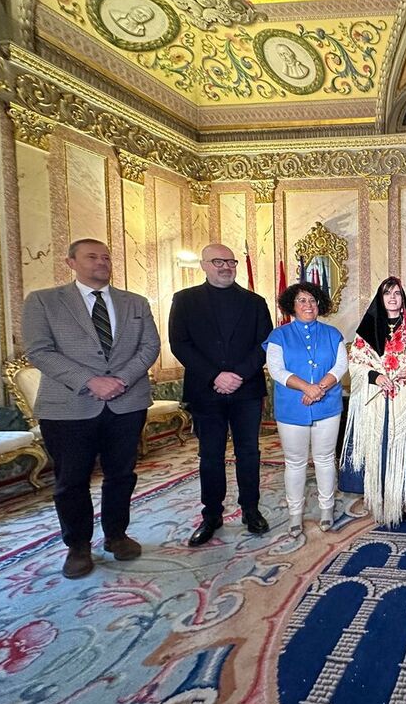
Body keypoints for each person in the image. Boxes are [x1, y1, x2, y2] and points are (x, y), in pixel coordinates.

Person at [23, 239, 160, 578]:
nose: (101, 262)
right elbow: (39, 351)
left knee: (121, 474)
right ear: (71, 262)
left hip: (126, 403)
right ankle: (78, 547)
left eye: (106, 257)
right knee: (71, 480)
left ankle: (116, 535)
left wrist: (121, 380)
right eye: (91, 256)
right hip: (68, 406)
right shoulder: (43, 301)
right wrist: (90, 380)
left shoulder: (136, 302)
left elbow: (150, 346)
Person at [169, 244, 273, 546]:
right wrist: (216, 375)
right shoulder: (185, 300)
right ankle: (211, 515)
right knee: (210, 456)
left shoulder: (254, 302)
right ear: (204, 265)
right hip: (206, 390)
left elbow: (264, 344)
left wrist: (237, 375)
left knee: (249, 453)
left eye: (230, 261)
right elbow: (180, 344)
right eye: (218, 261)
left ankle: (250, 510)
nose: (225, 266)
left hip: (246, 390)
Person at [340, 277, 406, 526]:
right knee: (381, 446)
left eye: (397, 293)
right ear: (381, 297)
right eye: (387, 293)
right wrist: (375, 376)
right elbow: (355, 363)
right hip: (377, 403)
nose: (392, 298)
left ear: (402, 298)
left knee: (405, 447)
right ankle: (379, 496)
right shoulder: (366, 329)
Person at [264, 282, 346, 534]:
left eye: (312, 300)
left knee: (324, 459)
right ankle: (295, 514)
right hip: (292, 408)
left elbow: (341, 366)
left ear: (319, 303)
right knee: (295, 462)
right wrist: (306, 388)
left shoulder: (333, 334)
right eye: (301, 300)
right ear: (292, 305)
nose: (308, 305)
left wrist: (318, 388)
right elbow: (276, 370)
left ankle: (326, 510)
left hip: (328, 405)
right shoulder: (279, 336)